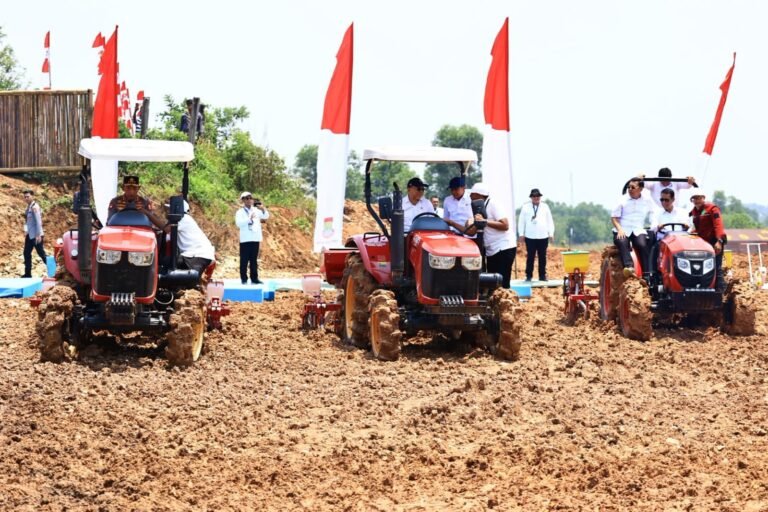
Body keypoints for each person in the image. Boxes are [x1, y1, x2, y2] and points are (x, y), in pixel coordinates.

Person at [465, 183, 516, 288]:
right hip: (491, 249)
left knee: (502, 282)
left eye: (472, 194)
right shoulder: (478, 207)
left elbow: (505, 225)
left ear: (479, 195)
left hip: (503, 247)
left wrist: (484, 221)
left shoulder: (493, 204)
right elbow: (471, 231)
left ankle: (505, 297)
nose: (470, 196)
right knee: (493, 282)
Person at [611, 177, 654, 277]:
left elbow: (653, 213)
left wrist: (654, 225)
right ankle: (629, 267)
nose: (630, 189)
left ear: (640, 189)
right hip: (623, 229)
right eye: (629, 187)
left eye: (633, 187)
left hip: (638, 229)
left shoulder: (647, 200)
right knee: (622, 242)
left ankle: (647, 275)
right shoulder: (622, 200)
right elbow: (614, 218)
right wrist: (620, 230)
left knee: (642, 244)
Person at [689, 189, 727, 291]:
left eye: (699, 198)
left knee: (716, 266)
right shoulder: (694, 212)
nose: (697, 201)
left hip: (714, 241)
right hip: (702, 244)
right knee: (703, 267)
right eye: (694, 198)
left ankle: (720, 291)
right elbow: (697, 227)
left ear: (703, 198)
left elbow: (718, 225)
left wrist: (719, 241)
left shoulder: (712, 209)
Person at [517, 188, 555, 282]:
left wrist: (551, 233)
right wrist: (521, 233)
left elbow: (550, 221)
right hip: (530, 236)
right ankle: (528, 275)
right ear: (531, 197)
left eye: (538, 196)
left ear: (540, 197)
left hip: (543, 236)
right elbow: (521, 221)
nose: (536, 198)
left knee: (542, 256)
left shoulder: (545, 206)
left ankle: (542, 275)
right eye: (534, 196)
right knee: (530, 256)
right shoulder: (525, 207)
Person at [173, 200, 216, 275]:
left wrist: (150, 215)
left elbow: (166, 229)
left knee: (170, 263)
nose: (166, 212)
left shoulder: (182, 219)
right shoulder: (184, 219)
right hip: (196, 255)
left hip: (197, 255)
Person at [235, 192, 269, 285]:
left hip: (255, 237)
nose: (249, 200)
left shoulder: (256, 210)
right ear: (243, 200)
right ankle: (244, 279)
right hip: (245, 239)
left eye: (250, 198)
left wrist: (263, 209)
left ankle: (254, 278)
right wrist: (248, 219)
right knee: (244, 260)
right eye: (247, 198)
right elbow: (238, 224)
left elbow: (266, 216)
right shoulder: (240, 212)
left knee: (254, 260)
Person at [21, 189, 47, 278]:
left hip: (36, 235)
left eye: (28, 196)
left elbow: (38, 222)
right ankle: (28, 274)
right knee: (26, 253)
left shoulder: (35, 207)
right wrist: (26, 230)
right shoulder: (28, 207)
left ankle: (54, 270)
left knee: (41, 253)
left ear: (32, 196)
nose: (26, 198)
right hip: (29, 235)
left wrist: (38, 234)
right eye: (25, 197)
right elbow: (27, 221)